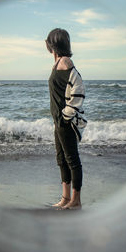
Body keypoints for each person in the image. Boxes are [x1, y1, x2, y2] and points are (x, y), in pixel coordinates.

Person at [46, 28, 86, 210]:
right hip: (58, 121)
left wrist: (66, 115)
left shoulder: (65, 62)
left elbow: (79, 89)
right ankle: (65, 198)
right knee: (61, 159)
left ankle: (75, 201)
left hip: (65, 121)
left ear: (53, 43)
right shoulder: (57, 63)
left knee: (72, 159)